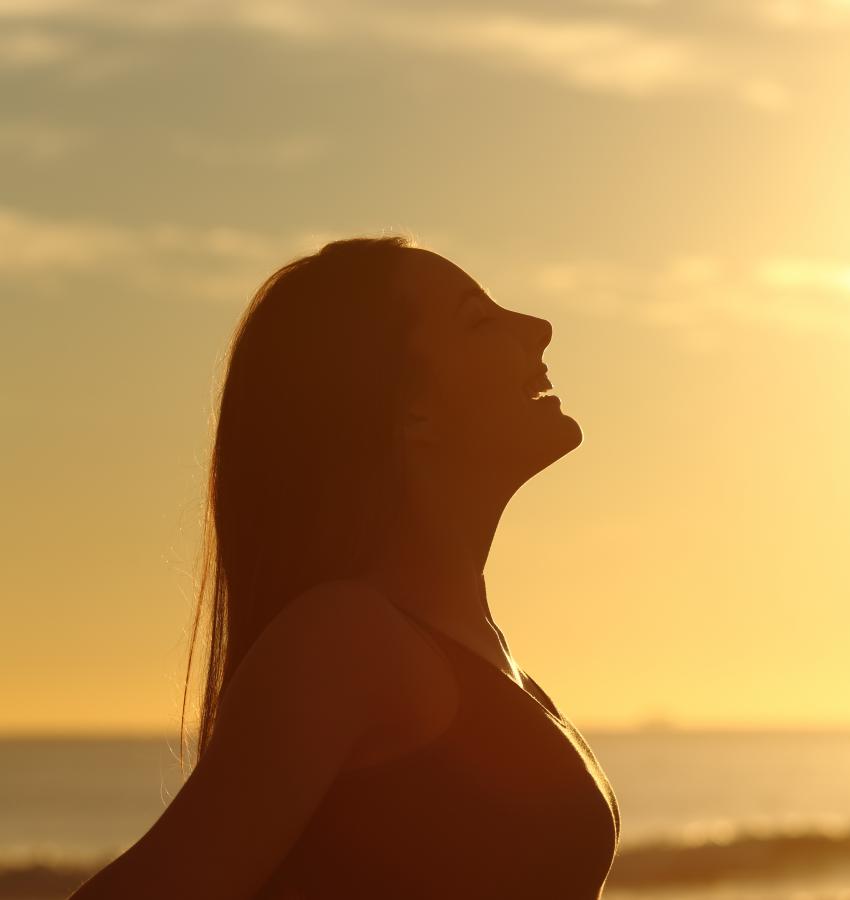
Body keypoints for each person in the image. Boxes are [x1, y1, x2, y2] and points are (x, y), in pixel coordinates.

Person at [68, 236, 620, 899]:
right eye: (479, 318)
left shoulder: (478, 654)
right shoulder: (346, 640)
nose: (538, 329)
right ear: (411, 409)